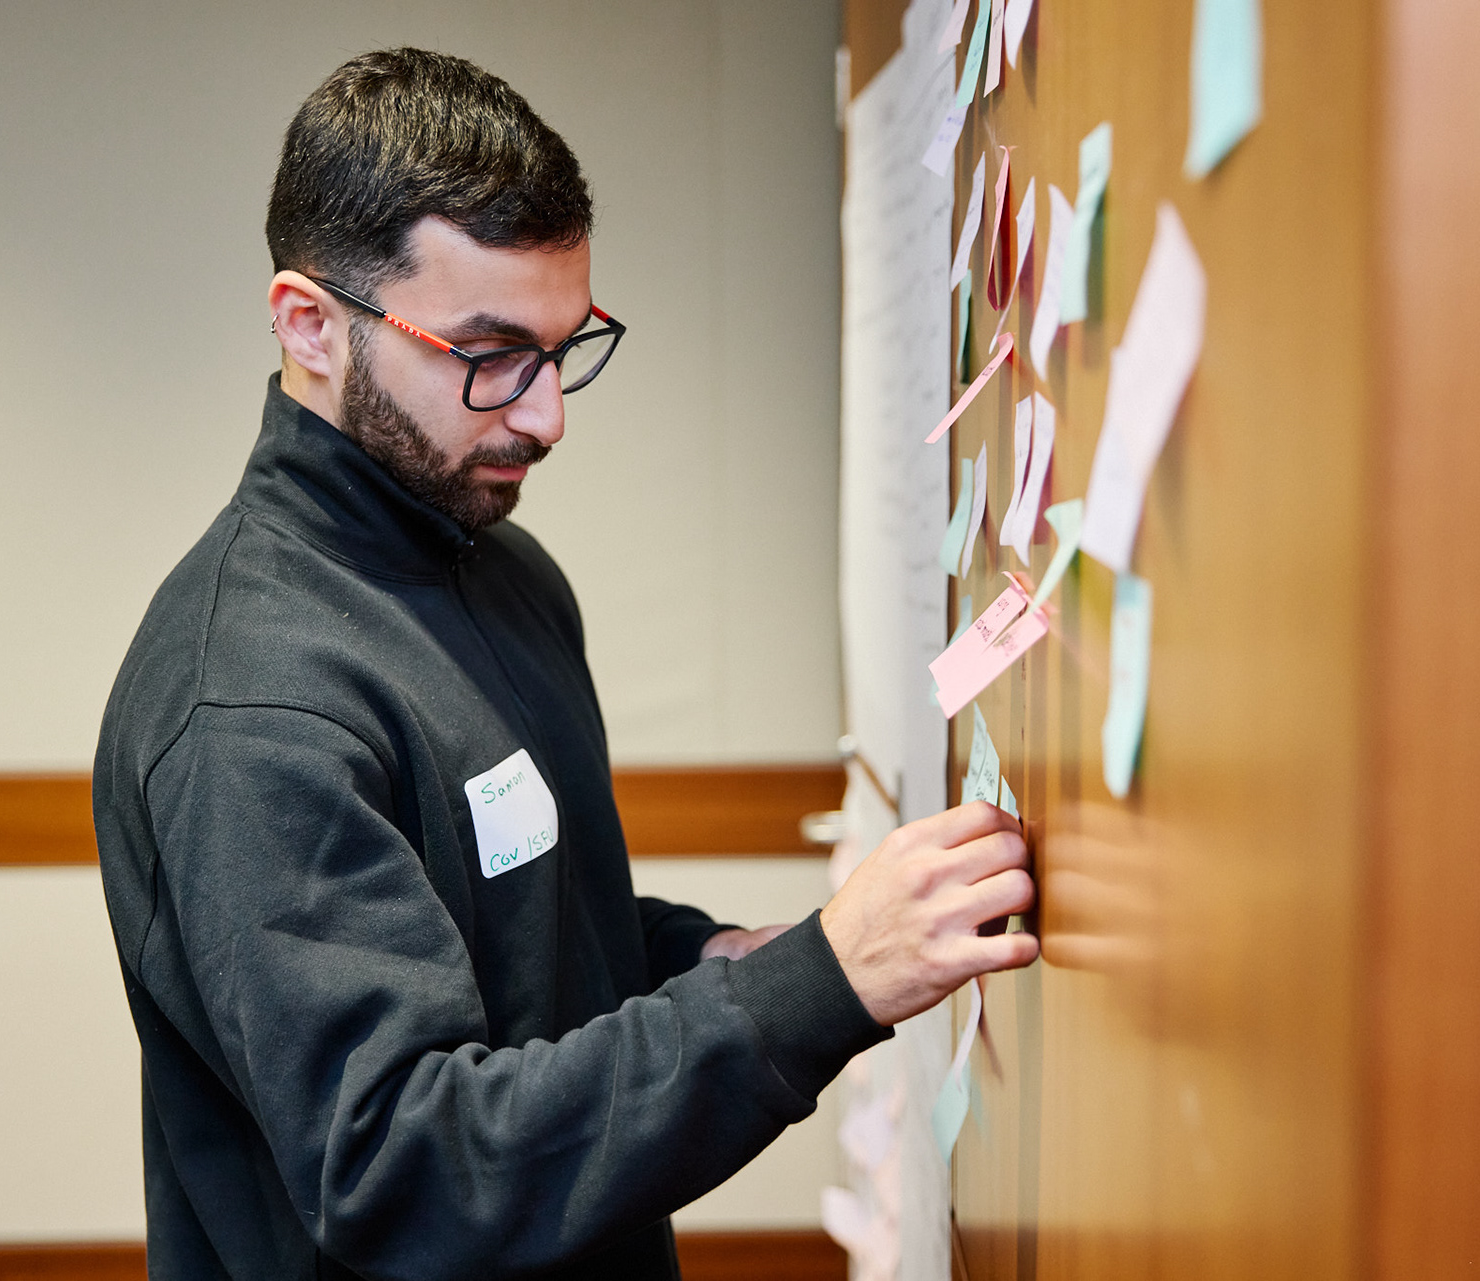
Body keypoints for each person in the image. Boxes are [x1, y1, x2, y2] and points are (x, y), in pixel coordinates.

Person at [94, 47, 1036, 1281]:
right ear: (309, 325)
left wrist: (709, 959)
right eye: (490, 355)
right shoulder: (253, 707)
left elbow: (521, 937)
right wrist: (819, 989)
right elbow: (403, 1171)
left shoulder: (505, 571)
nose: (545, 415)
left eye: (563, 345)